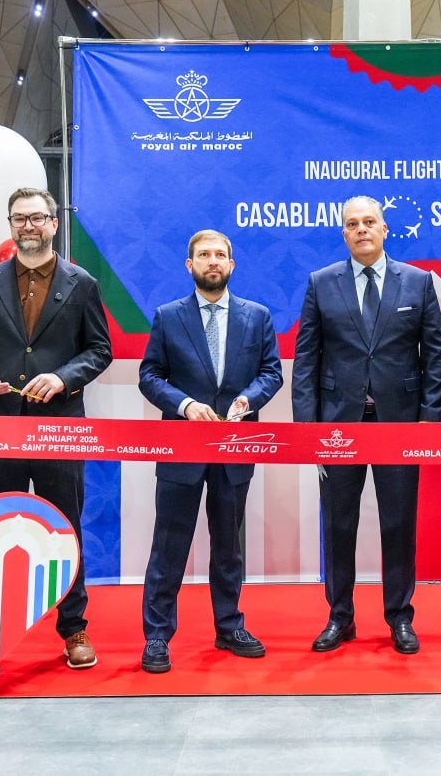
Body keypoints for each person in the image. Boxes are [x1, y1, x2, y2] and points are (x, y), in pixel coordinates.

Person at [0, 186, 112, 670]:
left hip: (58, 428)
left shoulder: (82, 283)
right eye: (20, 218)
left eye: (37, 217)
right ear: (11, 226)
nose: (28, 226)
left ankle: (74, 628)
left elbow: (100, 349)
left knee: (65, 528)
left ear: (53, 224)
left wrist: (63, 377)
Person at [292, 195, 441, 655]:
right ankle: (339, 617)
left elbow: (435, 355)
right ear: (343, 233)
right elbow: (306, 358)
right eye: (352, 224)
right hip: (336, 426)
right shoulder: (321, 283)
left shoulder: (418, 282)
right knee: (338, 524)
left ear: (384, 229)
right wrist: (308, 429)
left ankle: (399, 616)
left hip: (399, 426)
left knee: (398, 523)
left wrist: (429, 419)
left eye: (369, 222)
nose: (361, 229)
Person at [137, 230, 283, 673]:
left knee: (228, 546)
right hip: (182, 447)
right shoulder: (168, 317)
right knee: (169, 545)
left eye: (220, 254)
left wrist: (248, 400)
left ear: (232, 265)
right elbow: (150, 375)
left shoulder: (257, 317)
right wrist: (183, 405)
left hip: (235, 447)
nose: (213, 261)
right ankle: (157, 635)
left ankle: (229, 625)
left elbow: (271, 372)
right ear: (190, 265)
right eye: (204, 255)